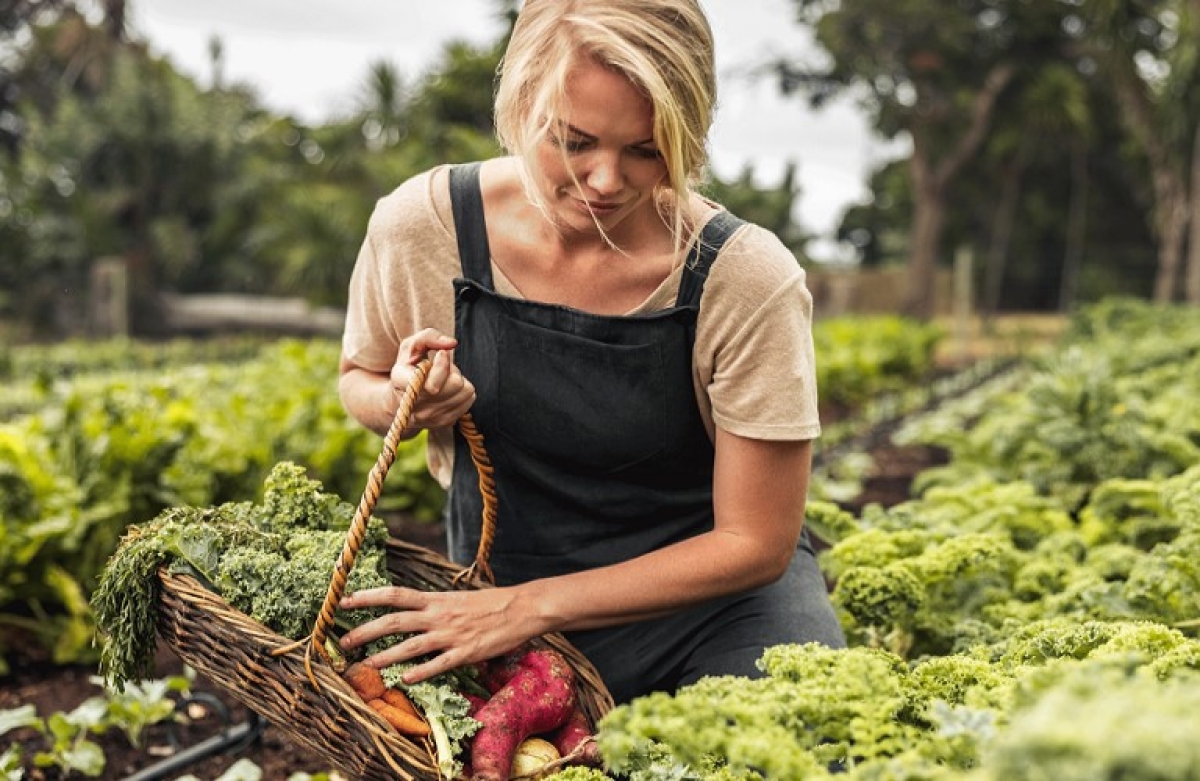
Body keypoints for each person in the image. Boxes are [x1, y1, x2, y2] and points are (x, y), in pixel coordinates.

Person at [335, 0, 846, 705]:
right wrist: (403, 399)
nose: (605, 180)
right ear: (520, 106)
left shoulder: (742, 276)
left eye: (645, 149)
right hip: (495, 597)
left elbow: (754, 541)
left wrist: (533, 606)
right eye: (573, 141)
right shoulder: (425, 228)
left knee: (787, 727)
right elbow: (358, 377)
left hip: (711, 609)